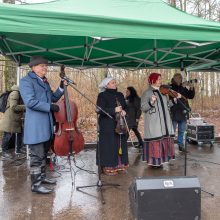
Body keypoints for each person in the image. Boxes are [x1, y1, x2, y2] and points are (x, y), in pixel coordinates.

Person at [19, 56, 64, 194]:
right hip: (36, 126)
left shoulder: (44, 82)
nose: (45, 68)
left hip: (47, 125)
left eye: (46, 65)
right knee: (36, 156)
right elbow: (30, 102)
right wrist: (50, 107)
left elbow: (53, 98)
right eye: (41, 66)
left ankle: (42, 177)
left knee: (44, 154)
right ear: (33, 67)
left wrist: (61, 87)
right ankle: (36, 184)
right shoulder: (26, 81)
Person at [141, 73, 179, 167]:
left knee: (164, 140)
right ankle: (154, 162)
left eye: (160, 79)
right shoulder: (147, 93)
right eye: (158, 79)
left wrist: (174, 101)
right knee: (156, 140)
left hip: (165, 122)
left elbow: (167, 106)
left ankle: (162, 160)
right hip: (154, 123)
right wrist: (151, 102)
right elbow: (143, 108)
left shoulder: (163, 93)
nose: (160, 81)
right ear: (153, 80)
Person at [96, 77, 128, 176]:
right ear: (106, 85)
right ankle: (108, 166)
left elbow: (125, 107)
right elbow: (99, 110)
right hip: (107, 125)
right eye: (112, 82)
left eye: (115, 82)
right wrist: (114, 110)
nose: (115, 84)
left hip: (120, 123)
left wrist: (124, 111)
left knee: (120, 143)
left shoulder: (120, 94)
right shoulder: (102, 95)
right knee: (109, 145)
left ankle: (119, 165)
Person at [170, 73, 195, 152]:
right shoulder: (170, 87)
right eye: (177, 78)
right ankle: (170, 147)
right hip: (174, 112)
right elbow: (175, 95)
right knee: (172, 131)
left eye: (180, 78)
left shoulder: (183, 87)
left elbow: (190, 96)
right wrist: (181, 87)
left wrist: (191, 87)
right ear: (174, 79)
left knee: (181, 131)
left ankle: (180, 145)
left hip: (183, 112)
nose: (179, 79)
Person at [0, 85, 25, 159]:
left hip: (15, 119)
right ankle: (4, 151)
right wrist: (25, 106)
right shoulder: (15, 93)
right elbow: (13, 107)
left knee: (20, 133)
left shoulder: (18, 93)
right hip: (10, 119)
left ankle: (19, 149)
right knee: (7, 135)